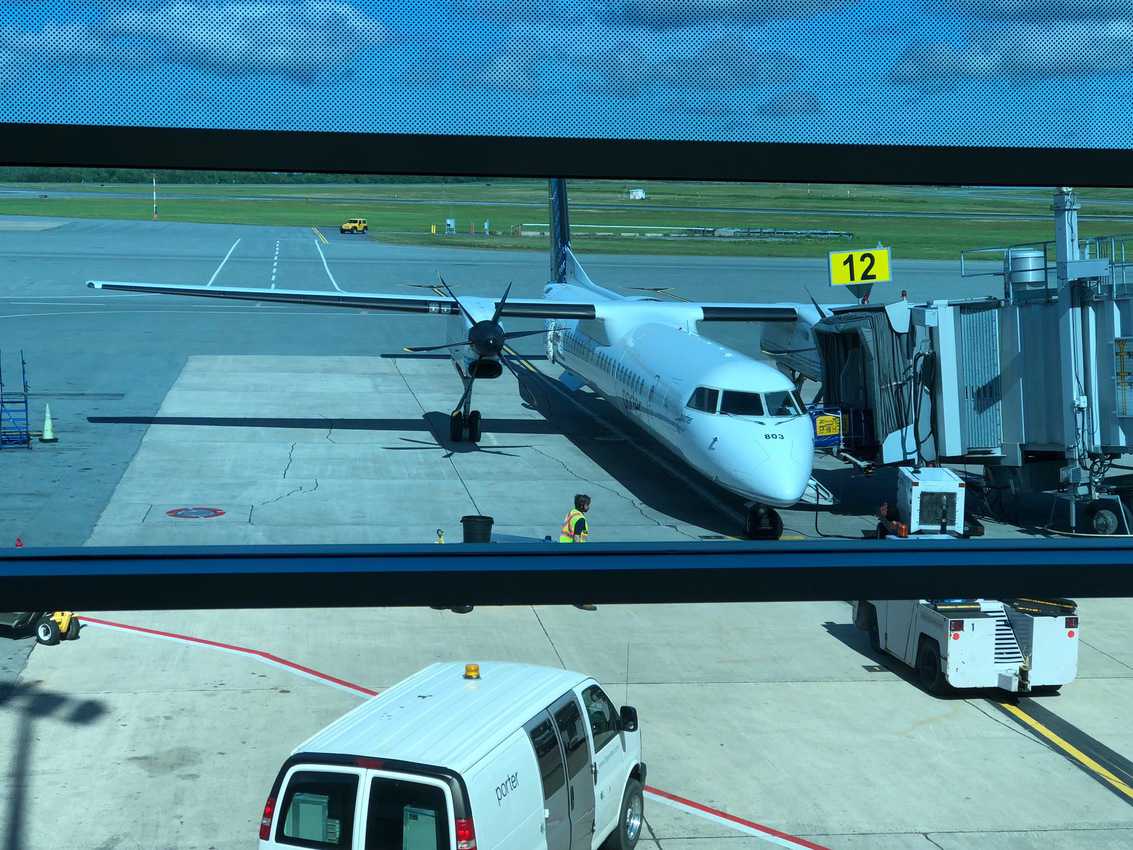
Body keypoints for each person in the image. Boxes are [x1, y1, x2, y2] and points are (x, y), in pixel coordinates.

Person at [559, 495, 596, 610]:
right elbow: (576, 537)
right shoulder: (580, 519)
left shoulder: (572, 512)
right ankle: (582, 601)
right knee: (582, 577)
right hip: (573, 550)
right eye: (588, 505)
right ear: (583, 506)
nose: (589, 507)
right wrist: (579, 553)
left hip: (564, 547)